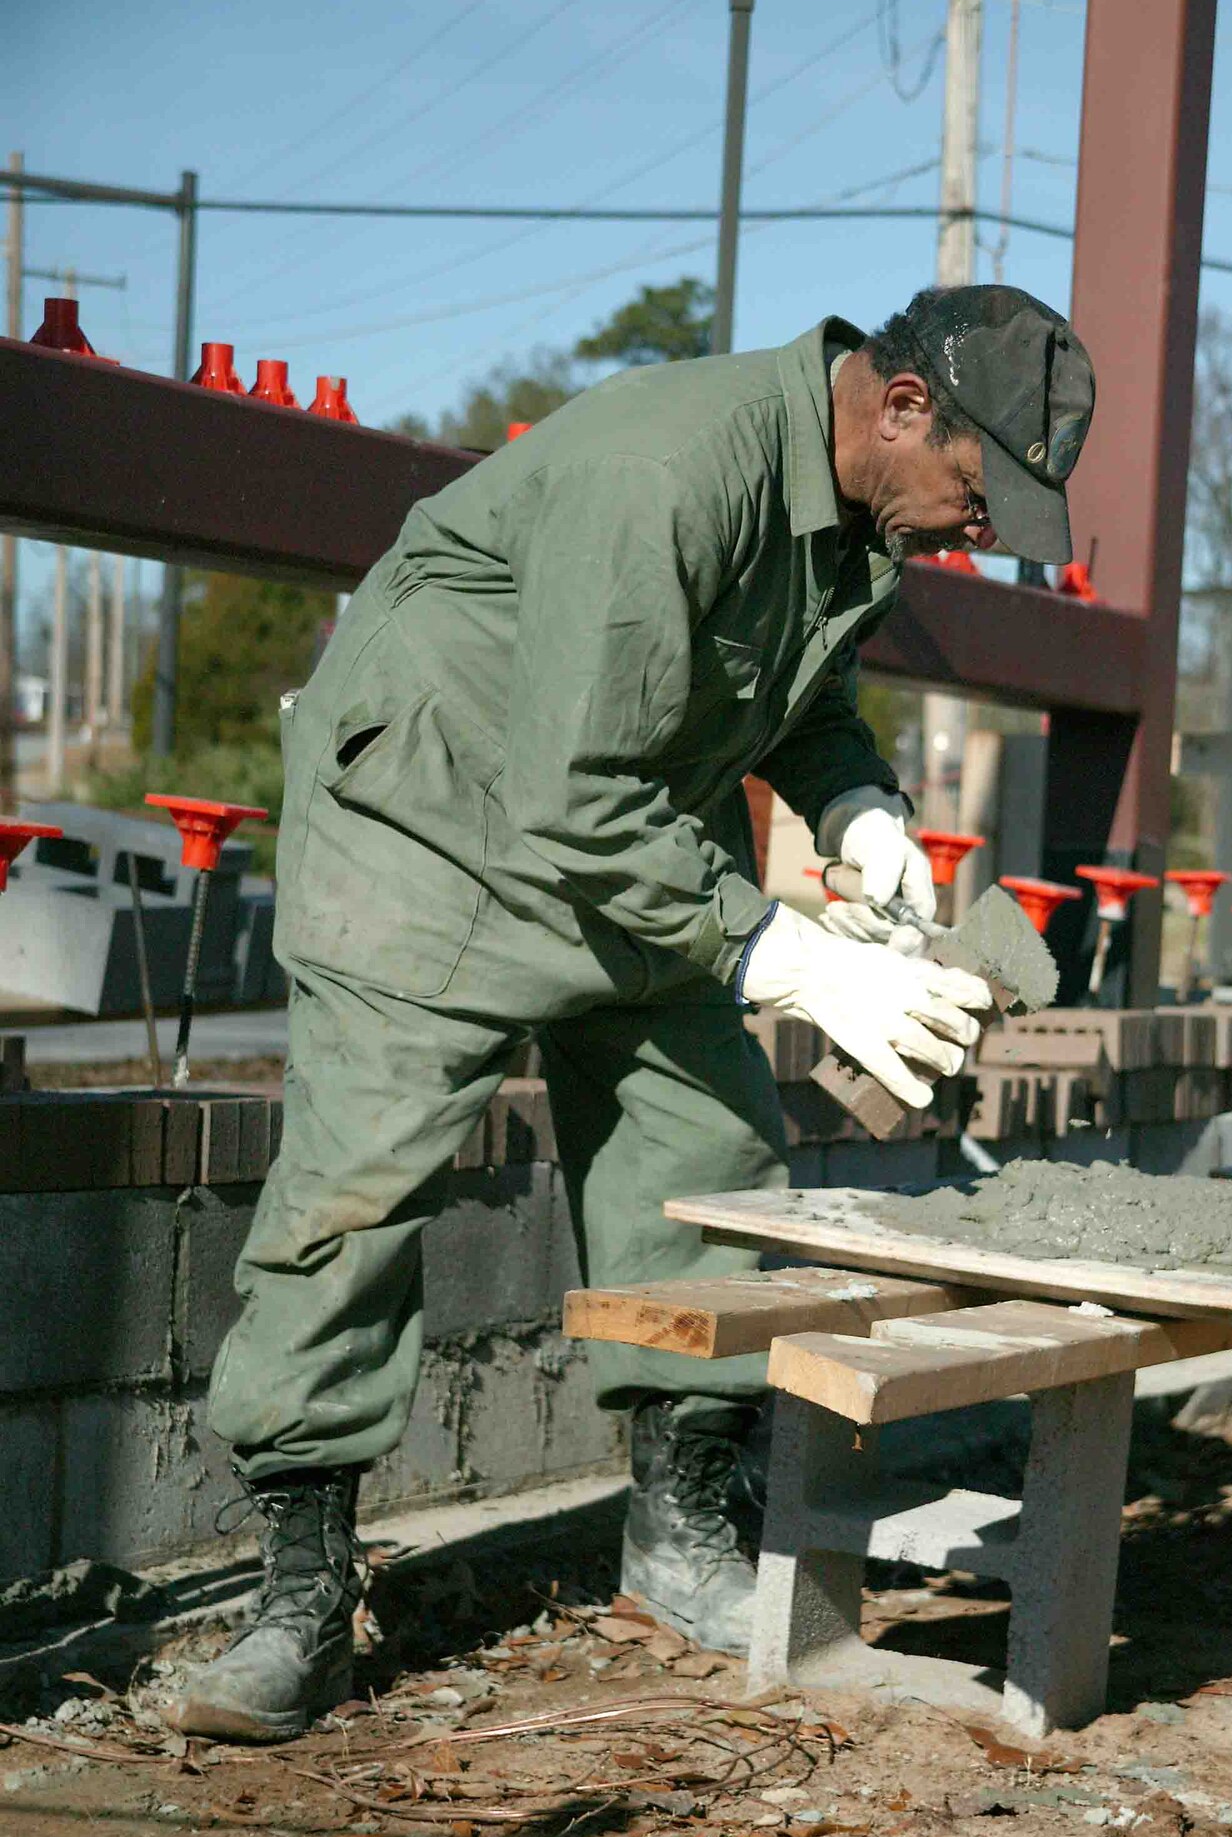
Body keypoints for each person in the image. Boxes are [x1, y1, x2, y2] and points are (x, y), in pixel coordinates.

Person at [176, 282, 1095, 1741]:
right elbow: (567, 790)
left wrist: (857, 809)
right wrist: (785, 958)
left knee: (711, 1161)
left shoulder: (858, 509)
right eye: (979, 496)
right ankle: (297, 1587)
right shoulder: (666, 468)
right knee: (356, 1191)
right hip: (430, 831)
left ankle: (679, 1539)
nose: (975, 531)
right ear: (906, 405)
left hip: (624, 839)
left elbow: (788, 695)